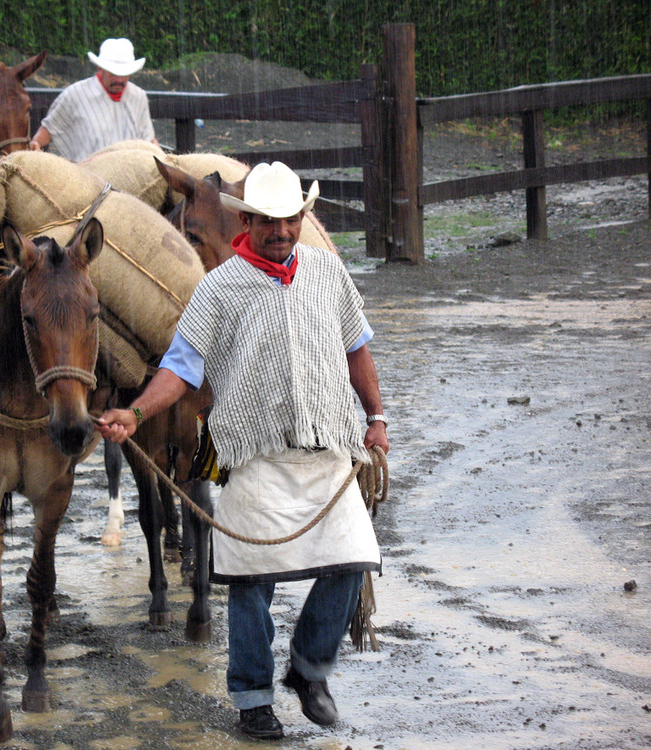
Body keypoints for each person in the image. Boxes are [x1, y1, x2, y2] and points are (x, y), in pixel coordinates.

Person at [96, 161, 389, 741]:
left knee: (353, 563)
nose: (280, 232)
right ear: (247, 221)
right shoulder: (219, 288)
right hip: (253, 456)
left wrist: (375, 416)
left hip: (329, 447)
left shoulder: (328, 273)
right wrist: (135, 413)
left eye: (290, 220)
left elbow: (356, 348)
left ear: (302, 217)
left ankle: (308, 670)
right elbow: (180, 368)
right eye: (268, 222)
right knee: (251, 582)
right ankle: (254, 701)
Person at [29, 37, 157, 161]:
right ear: (100, 68)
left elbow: (148, 139)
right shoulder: (75, 95)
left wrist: (165, 160)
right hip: (85, 176)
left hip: (131, 175)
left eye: (124, 74)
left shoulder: (139, 97)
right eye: (113, 73)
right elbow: (50, 127)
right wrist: (36, 142)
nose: (119, 79)